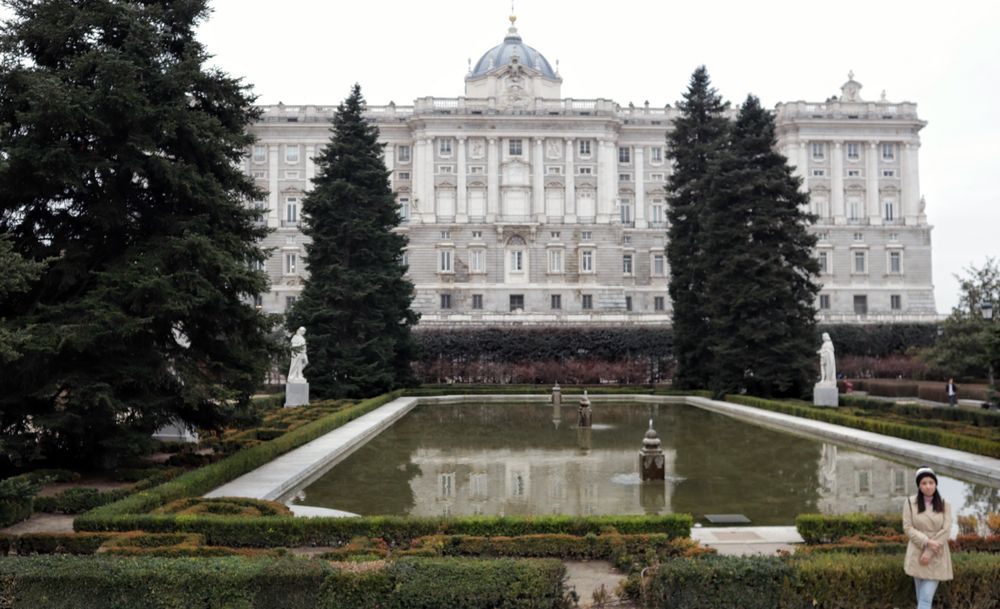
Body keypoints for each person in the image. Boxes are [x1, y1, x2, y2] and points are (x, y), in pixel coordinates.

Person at [902, 467, 953, 609]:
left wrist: (929, 550)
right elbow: (907, 527)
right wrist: (926, 542)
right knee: (922, 598)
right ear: (919, 485)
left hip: (937, 553)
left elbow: (946, 530)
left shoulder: (944, 504)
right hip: (917, 552)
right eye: (924, 483)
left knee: (925, 598)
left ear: (936, 484)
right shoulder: (910, 503)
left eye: (931, 482)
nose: (928, 486)